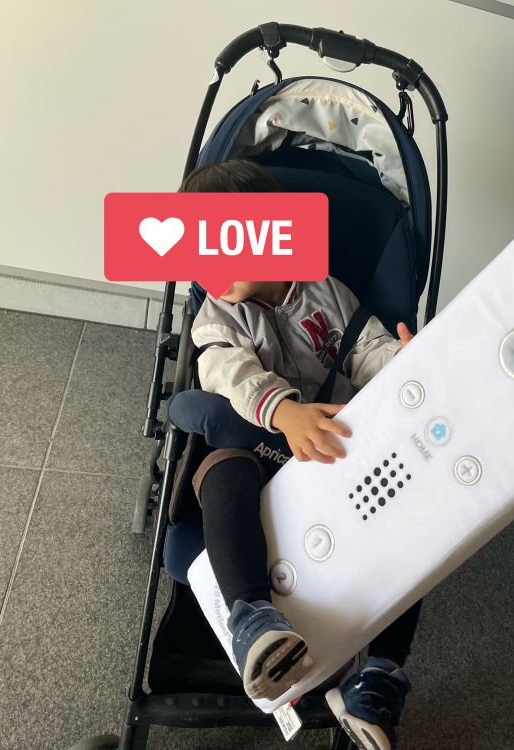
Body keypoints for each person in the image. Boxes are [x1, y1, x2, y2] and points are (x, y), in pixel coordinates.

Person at [171, 160, 420, 750]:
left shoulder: (326, 291)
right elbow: (228, 372)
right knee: (221, 468)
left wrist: (406, 365)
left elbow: (367, 348)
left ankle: (379, 674)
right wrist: (283, 412)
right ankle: (253, 618)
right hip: (261, 453)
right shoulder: (216, 317)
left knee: (413, 517)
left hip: (336, 454)